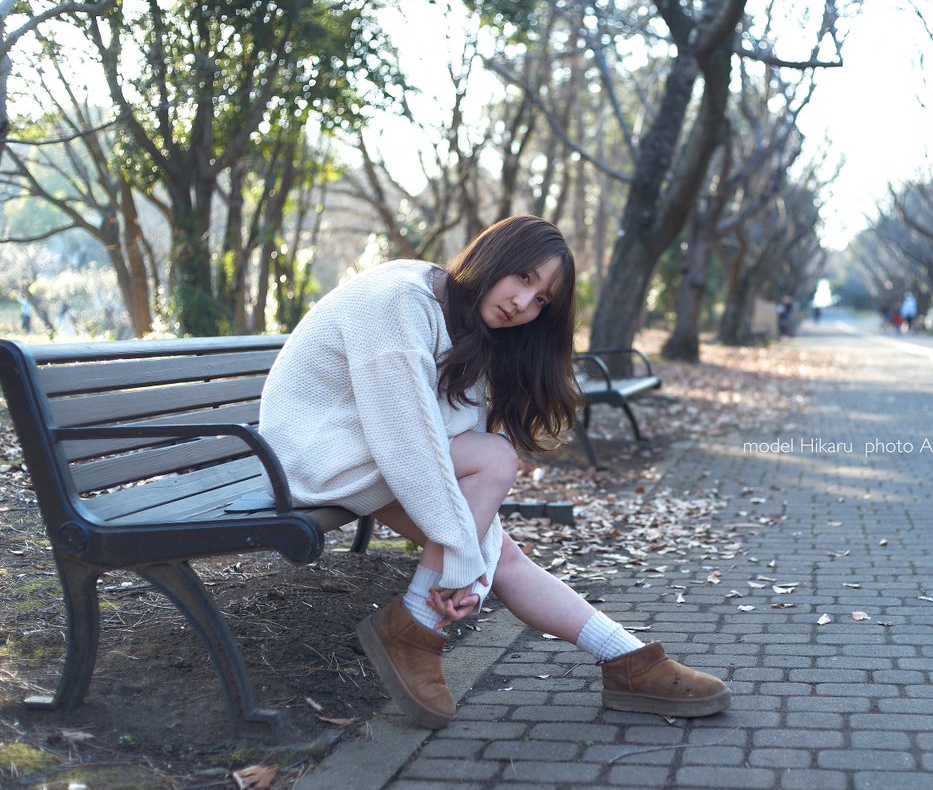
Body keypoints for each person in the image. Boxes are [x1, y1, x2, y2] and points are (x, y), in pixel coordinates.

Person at [259, 216, 730, 729]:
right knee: (494, 467)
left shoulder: (468, 324)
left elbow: (444, 434)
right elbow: (410, 440)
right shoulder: (399, 301)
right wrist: (458, 559)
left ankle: (629, 661)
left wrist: (469, 567)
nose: (523, 305)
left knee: (496, 551)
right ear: (493, 256)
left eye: (542, 301)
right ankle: (415, 625)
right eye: (524, 278)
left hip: (367, 452)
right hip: (313, 455)